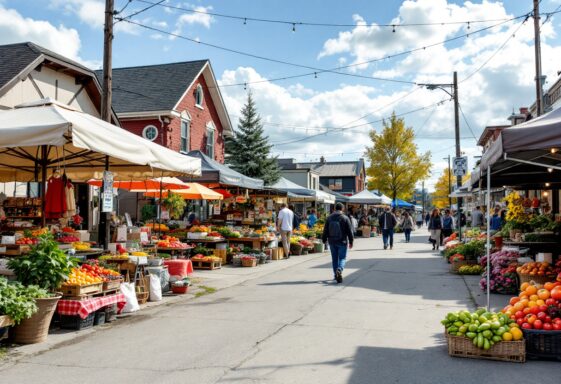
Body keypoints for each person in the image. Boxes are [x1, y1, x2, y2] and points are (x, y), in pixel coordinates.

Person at [322, 202, 354, 283]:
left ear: (334, 209)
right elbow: (350, 231)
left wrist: (324, 239)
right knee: (342, 258)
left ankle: (335, 274)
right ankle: (339, 269)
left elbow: (325, 230)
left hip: (332, 241)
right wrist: (351, 241)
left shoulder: (329, 218)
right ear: (342, 209)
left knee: (334, 259)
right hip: (342, 241)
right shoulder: (345, 218)